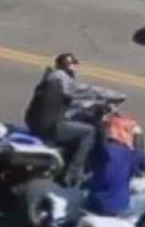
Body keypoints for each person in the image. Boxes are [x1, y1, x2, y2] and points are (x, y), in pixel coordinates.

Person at [25, 53, 97, 187]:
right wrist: (109, 98)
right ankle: (72, 174)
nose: (75, 68)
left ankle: (66, 157)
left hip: (34, 121)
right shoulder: (63, 81)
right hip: (50, 126)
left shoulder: (50, 77)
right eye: (73, 65)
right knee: (89, 131)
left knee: (75, 122)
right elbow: (81, 93)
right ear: (70, 67)